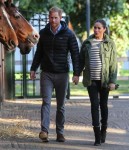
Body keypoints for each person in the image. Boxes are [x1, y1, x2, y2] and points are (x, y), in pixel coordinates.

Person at [30, 6, 80, 142]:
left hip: (62, 74)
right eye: (51, 17)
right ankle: (44, 131)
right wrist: (33, 69)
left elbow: (75, 54)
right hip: (46, 73)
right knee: (46, 102)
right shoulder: (43, 33)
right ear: (49, 17)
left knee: (61, 105)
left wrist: (76, 73)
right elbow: (38, 54)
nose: (53, 20)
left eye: (55, 18)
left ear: (60, 18)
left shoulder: (69, 34)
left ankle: (60, 132)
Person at [79, 19, 117, 146]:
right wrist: (76, 74)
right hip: (91, 80)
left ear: (104, 29)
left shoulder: (110, 43)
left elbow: (113, 64)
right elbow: (80, 61)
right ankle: (96, 136)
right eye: (95, 28)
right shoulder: (87, 43)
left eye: (99, 28)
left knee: (103, 105)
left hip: (105, 81)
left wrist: (112, 81)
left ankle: (103, 131)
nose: (96, 30)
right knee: (94, 105)